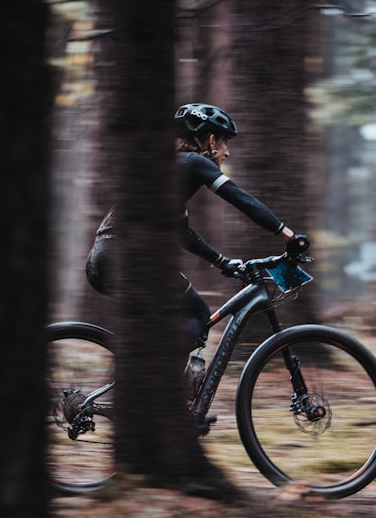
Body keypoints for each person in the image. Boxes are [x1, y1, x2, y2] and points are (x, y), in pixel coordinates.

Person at [86, 102, 309, 350]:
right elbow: (242, 199)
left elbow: (182, 233)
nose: (228, 153)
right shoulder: (193, 162)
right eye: (226, 143)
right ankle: (159, 385)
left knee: (170, 325)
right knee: (198, 315)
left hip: (101, 259)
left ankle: (154, 377)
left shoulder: (167, 169)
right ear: (211, 141)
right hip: (128, 257)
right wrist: (288, 236)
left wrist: (222, 261)